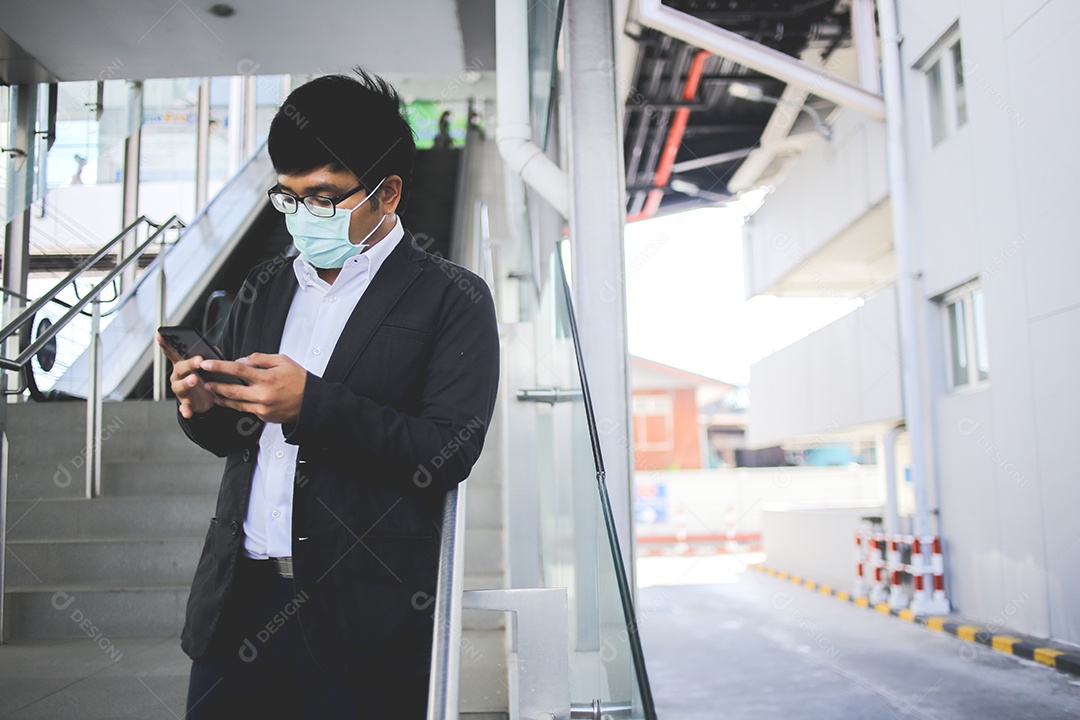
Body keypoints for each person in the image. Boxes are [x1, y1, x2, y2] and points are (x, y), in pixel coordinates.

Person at [156, 69, 500, 719]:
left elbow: (447, 450)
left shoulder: (454, 298)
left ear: (388, 192)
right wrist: (202, 406)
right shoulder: (264, 283)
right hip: (241, 599)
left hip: (365, 614)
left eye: (323, 197)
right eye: (286, 198)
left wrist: (310, 406)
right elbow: (237, 437)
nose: (299, 217)